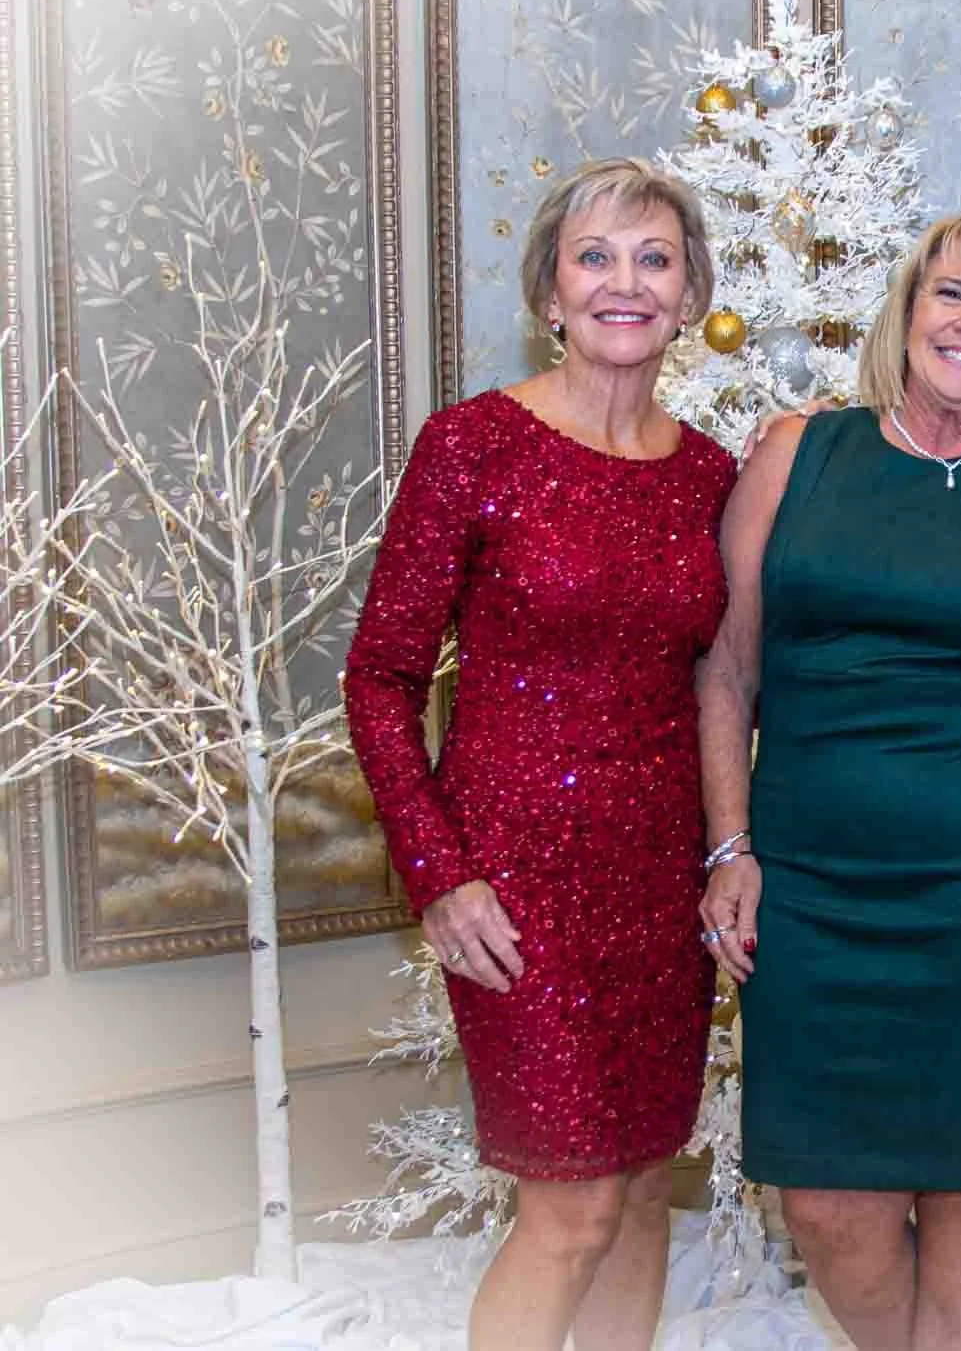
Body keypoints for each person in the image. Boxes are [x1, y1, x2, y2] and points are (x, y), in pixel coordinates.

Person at [696, 206, 961, 1351]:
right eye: (951, 293)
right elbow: (726, 668)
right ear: (908, 308)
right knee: (828, 1207)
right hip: (810, 888)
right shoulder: (798, 452)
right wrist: (728, 846)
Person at [344, 158, 733, 1351]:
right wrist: (437, 873)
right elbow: (380, 678)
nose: (626, 282)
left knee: (639, 1190)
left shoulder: (710, 476)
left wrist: (727, 856)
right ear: (549, 293)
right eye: (594, 257)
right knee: (569, 1211)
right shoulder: (472, 446)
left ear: (688, 295)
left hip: (660, 889)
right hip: (514, 890)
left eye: (654, 259)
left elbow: (723, 681)